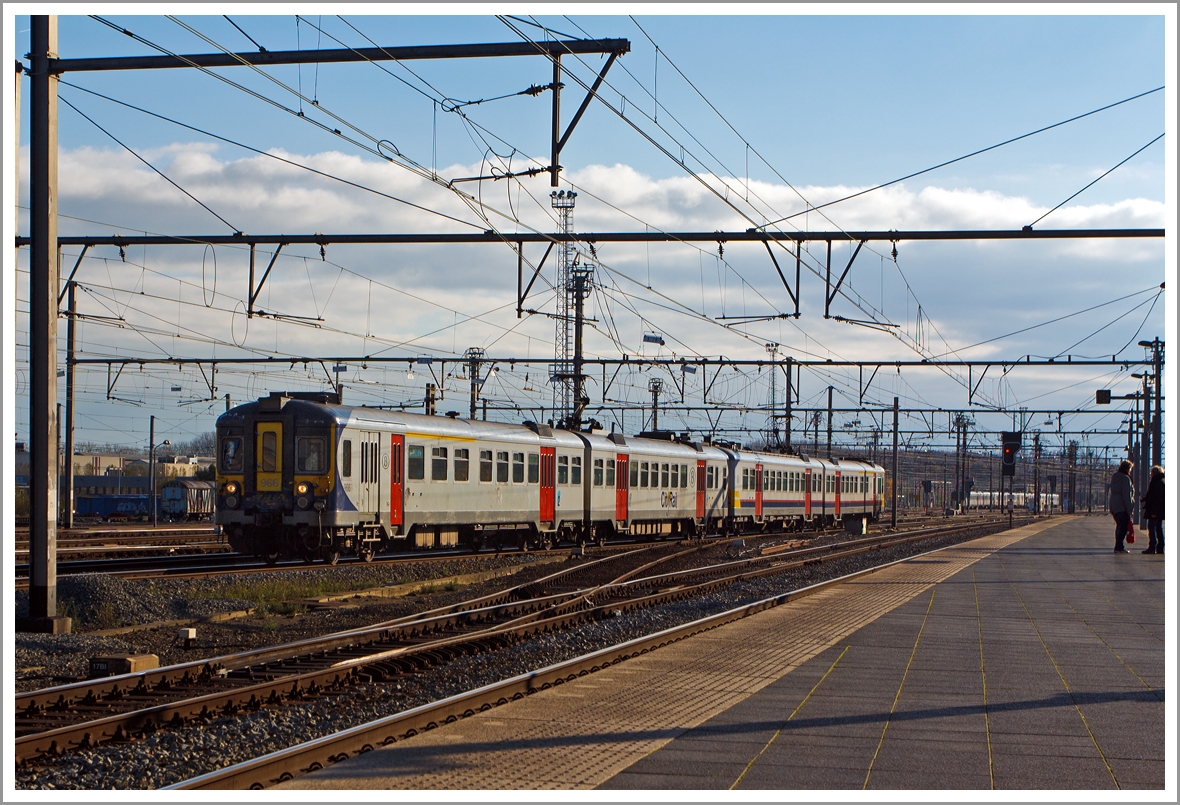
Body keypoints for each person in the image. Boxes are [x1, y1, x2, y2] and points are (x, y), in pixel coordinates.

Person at [1109, 460, 1135, 553]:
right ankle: (1119, 547)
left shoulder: (1115, 477)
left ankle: (1118, 546)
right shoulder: (1125, 479)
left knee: (1119, 526)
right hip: (1122, 506)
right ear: (1128, 469)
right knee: (1123, 527)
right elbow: (1126, 494)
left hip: (1114, 505)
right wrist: (1129, 508)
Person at [1141, 465, 1164, 555]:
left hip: (1155, 511)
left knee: (1152, 528)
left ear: (1154, 473)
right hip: (1160, 510)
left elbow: (1157, 499)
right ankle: (1160, 547)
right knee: (1159, 529)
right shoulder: (1162, 481)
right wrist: (1144, 499)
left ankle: (1152, 547)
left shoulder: (1157, 482)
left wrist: (1154, 512)